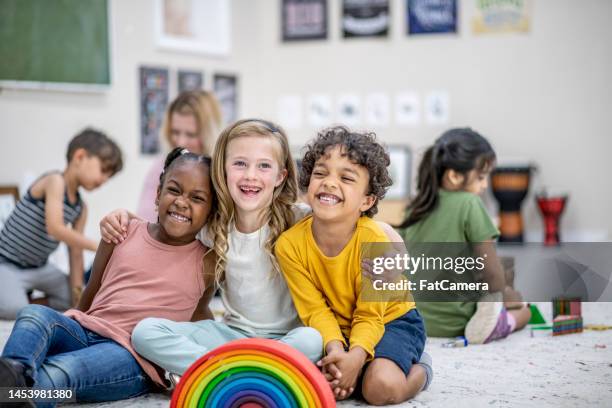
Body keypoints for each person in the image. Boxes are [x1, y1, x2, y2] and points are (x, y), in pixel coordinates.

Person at [0, 148, 215, 406]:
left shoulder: (208, 262)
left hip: (132, 357)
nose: (182, 201)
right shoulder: (121, 231)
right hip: (86, 330)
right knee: (34, 314)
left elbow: (201, 319)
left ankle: (18, 399)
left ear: (211, 212)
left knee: (62, 370)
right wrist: (65, 325)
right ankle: (11, 378)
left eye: (197, 198)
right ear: (158, 195)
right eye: (174, 190)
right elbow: (91, 292)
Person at [275, 126, 433, 405]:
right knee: (311, 385)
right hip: (338, 326)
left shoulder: (375, 239)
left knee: (379, 388)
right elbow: (314, 311)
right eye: (320, 173)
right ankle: (362, 365)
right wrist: (337, 350)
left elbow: (371, 316)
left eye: (346, 177)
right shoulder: (289, 245)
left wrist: (357, 358)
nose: (329, 183)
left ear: (367, 201)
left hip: (392, 320)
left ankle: (421, 370)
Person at [396, 128, 531, 344]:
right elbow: (493, 278)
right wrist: (507, 294)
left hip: (415, 318)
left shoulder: (415, 207)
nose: (485, 185)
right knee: (523, 309)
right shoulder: (470, 203)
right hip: (456, 322)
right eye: (480, 177)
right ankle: (496, 321)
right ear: (454, 176)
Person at [0, 128, 123, 320]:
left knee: (73, 299)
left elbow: (75, 253)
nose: (104, 179)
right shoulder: (54, 181)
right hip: (6, 263)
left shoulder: (80, 207)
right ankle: (19, 300)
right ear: (80, 156)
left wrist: (77, 301)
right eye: (103, 170)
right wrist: (97, 245)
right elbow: (54, 228)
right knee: (12, 310)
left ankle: (28, 302)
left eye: (109, 176)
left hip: (39, 267)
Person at [138, 90, 222, 221]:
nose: (181, 142)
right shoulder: (161, 168)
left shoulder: (224, 172)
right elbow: (144, 220)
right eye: (175, 132)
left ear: (209, 134)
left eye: (191, 134)